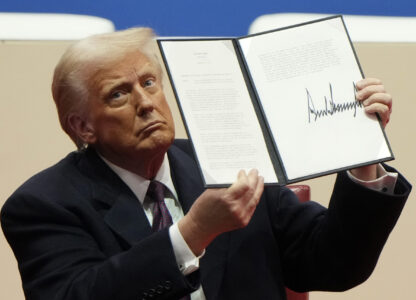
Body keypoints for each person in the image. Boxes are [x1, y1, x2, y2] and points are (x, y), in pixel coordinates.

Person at [1, 27, 411, 300]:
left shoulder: (227, 159)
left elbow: (334, 264)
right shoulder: (42, 205)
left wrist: (364, 159)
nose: (146, 103)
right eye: (118, 95)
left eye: (149, 83)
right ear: (82, 127)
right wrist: (193, 233)